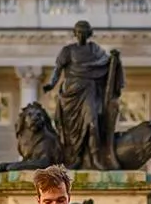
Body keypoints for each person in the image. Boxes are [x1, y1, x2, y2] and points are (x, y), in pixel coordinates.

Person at [42, 20, 124, 170]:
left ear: (89, 34)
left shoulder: (95, 50)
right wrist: (51, 84)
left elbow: (106, 64)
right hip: (71, 94)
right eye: (78, 32)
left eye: (84, 32)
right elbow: (58, 70)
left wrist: (114, 60)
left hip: (89, 90)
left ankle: (95, 158)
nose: (80, 35)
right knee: (70, 130)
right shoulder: (68, 51)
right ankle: (75, 157)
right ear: (75, 34)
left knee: (92, 122)